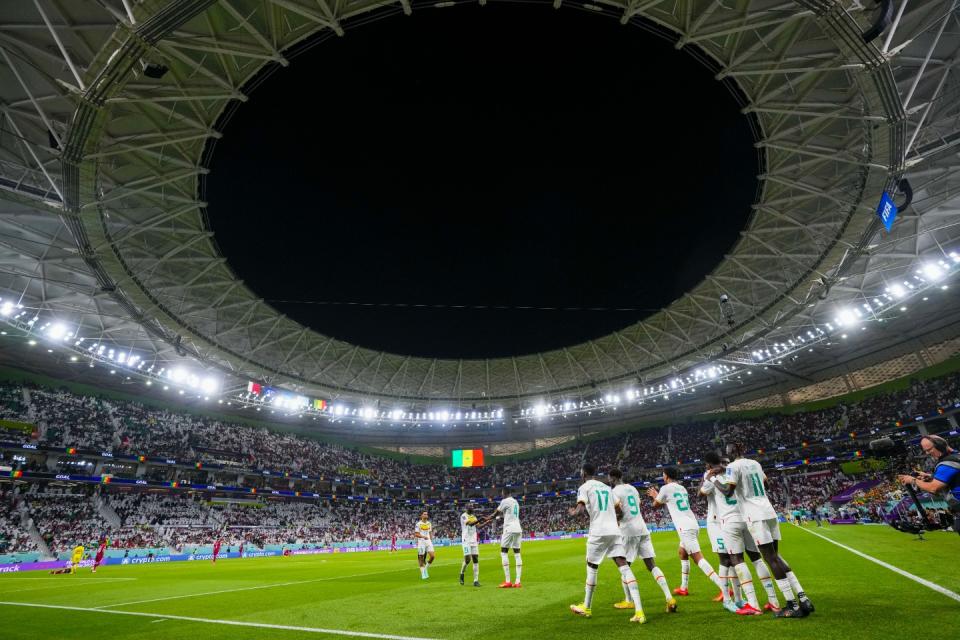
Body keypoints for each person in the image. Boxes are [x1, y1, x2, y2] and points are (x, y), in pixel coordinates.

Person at [709, 443, 813, 618]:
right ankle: (803, 598)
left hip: (754, 515)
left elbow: (728, 492)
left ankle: (792, 605)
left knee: (770, 559)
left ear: (733, 452)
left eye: (727, 452)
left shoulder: (733, 467)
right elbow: (767, 484)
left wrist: (712, 479)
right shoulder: (756, 463)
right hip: (769, 510)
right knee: (776, 557)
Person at [702, 451, 781, 616]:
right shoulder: (734, 470)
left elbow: (701, 493)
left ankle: (753, 604)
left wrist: (708, 477)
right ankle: (774, 602)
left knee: (736, 560)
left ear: (708, 465)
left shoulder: (710, 475)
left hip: (729, 522)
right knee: (757, 559)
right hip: (747, 517)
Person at [568, 463, 646, 624]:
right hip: (615, 531)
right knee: (624, 567)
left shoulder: (585, 487)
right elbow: (620, 509)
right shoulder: (606, 487)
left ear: (583, 474)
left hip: (598, 531)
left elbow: (580, 509)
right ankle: (639, 611)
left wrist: (573, 512)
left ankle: (587, 607)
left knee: (591, 566)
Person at [646, 467, 729, 606]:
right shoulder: (682, 488)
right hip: (692, 523)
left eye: (663, 475)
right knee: (682, 553)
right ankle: (684, 588)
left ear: (666, 476)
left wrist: (655, 495)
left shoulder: (665, 489)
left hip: (685, 528)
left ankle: (724, 588)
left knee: (698, 558)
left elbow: (655, 505)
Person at [608, 468, 678, 613]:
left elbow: (619, 511)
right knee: (652, 565)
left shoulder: (614, 492)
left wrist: (614, 521)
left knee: (625, 567)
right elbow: (637, 505)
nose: (609, 481)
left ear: (613, 478)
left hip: (628, 530)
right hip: (642, 528)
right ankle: (669, 598)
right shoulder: (633, 488)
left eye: (609, 478)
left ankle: (629, 601)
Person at [897, 435, 960, 534]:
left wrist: (913, 480)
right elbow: (955, 478)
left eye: (929, 449)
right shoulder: (956, 456)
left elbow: (933, 488)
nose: (927, 453)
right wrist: (931, 477)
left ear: (940, 446)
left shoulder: (947, 463)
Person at [480, 491, 523, 588]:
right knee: (517, 553)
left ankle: (508, 581)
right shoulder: (516, 502)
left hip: (509, 528)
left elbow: (495, 513)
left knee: (504, 552)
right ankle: (517, 582)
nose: (501, 495)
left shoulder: (505, 501)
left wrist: (487, 518)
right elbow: (508, 514)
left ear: (504, 493)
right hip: (518, 528)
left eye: (502, 493)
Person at [459, 505, 481, 586]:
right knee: (468, 559)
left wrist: (487, 521)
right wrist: (480, 519)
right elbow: (470, 524)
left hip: (474, 539)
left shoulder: (474, 516)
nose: (473, 509)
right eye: (471, 508)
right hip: (466, 539)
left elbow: (479, 526)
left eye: (473, 508)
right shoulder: (463, 516)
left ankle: (476, 580)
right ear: (467, 509)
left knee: (475, 558)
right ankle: (462, 573)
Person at [414, 511, 435, 579]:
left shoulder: (429, 523)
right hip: (421, 542)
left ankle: (425, 569)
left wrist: (431, 540)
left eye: (427, 514)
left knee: (432, 556)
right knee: (421, 558)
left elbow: (430, 532)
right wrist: (423, 537)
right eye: (424, 514)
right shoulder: (418, 524)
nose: (426, 515)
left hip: (428, 541)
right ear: (421, 516)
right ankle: (423, 574)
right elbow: (416, 534)